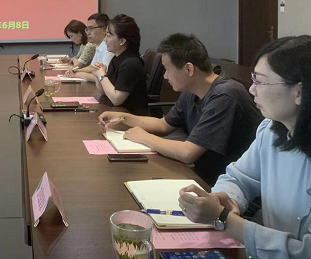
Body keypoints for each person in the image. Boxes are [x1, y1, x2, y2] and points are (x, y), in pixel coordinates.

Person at [178, 36, 311, 259]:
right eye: (253, 79)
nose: (251, 89)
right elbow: (239, 178)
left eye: (261, 82)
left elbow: (304, 251)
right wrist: (226, 198)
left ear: (299, 91)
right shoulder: (271, 131)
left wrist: (223, 218)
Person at [98, 33, 263, 184]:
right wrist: (123, 117)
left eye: (167, 69)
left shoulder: (225, 95)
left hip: (226, 184)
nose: (165, 76)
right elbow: (164, 125)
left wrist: (144, 137)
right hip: (205, 175)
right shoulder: (192, 91)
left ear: (189, 69)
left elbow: (188, 153)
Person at [92, 14, 148, 114]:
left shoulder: (130, 64)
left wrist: (102, 75)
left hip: (131, 116)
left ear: (122, 41)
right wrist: (97, 74)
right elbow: (104, 92)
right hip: (119, 113)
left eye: (108, 36)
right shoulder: (117, 58)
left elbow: (116, 100)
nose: (105, 39)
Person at [65, 13, 114, 82]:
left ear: (104, 29)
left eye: (91, 29)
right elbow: (92, 67)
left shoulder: (109, 48)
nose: (87, 33)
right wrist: (76, 70)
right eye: (87, 29)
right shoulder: (98, 46)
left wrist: (78, 74)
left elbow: (103, 77)